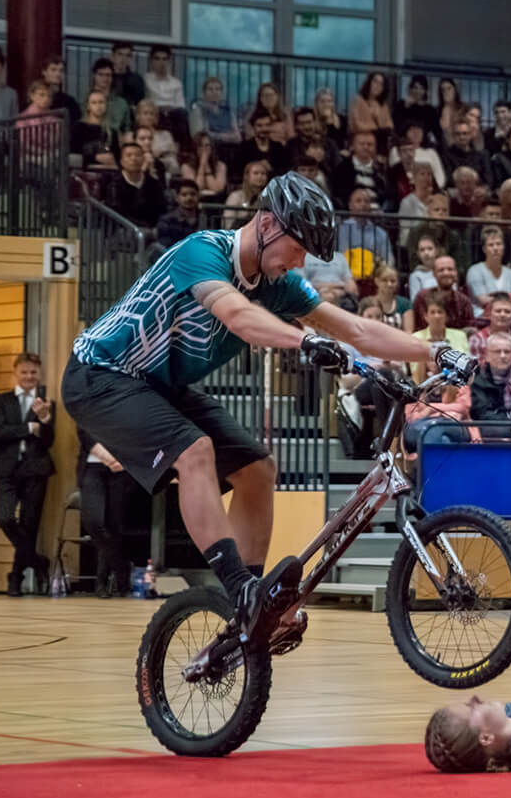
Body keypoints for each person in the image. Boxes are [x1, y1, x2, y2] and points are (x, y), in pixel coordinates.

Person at [65, 173, 465, 649]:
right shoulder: (202, 252)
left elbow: (356, 330)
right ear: (268, 224)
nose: (299, 262)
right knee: (195, 450)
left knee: (258, 470)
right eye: (297, 249)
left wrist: (433, 351)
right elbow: (239, 316)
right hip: (100, 375)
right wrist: (305, 340)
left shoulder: (278, 283)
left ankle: (248, 610)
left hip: (157, 385)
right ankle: (240, 589)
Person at [77, 434, 142, 598]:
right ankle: (121, 567)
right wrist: (108, 458)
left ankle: (101, 582)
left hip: (123, 468)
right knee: (93, 522)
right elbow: (83, 430)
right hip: (93, 465)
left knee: (114, 527)